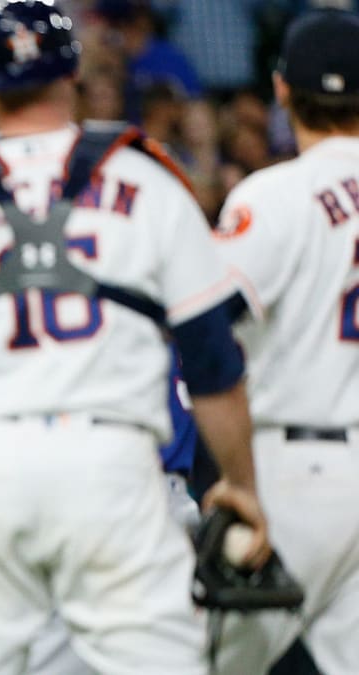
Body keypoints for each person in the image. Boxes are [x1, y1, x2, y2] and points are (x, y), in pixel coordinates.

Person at [0, 2, 268, 673]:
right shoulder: (147, 178)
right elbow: (214, 365)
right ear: (74, 69)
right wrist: (243, 484)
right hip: (113, 463)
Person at [211, 10, 359, 674]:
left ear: (280, 91)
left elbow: (207, 324)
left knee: (201, 661)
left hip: (297, 471)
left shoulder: (276, 195)